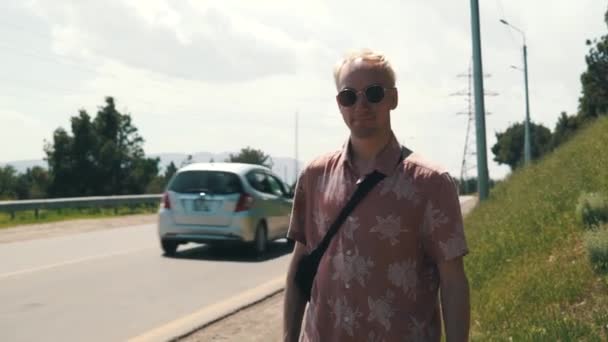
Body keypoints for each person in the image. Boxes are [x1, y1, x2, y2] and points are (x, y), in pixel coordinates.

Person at [283, 49, 470, 342]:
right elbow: (299, 266)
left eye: (373, 93)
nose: (361, 105)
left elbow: (453, 281)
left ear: (393, 99)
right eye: (349, 96)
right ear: (339, 104)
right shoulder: (314, 176)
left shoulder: (431, 183)